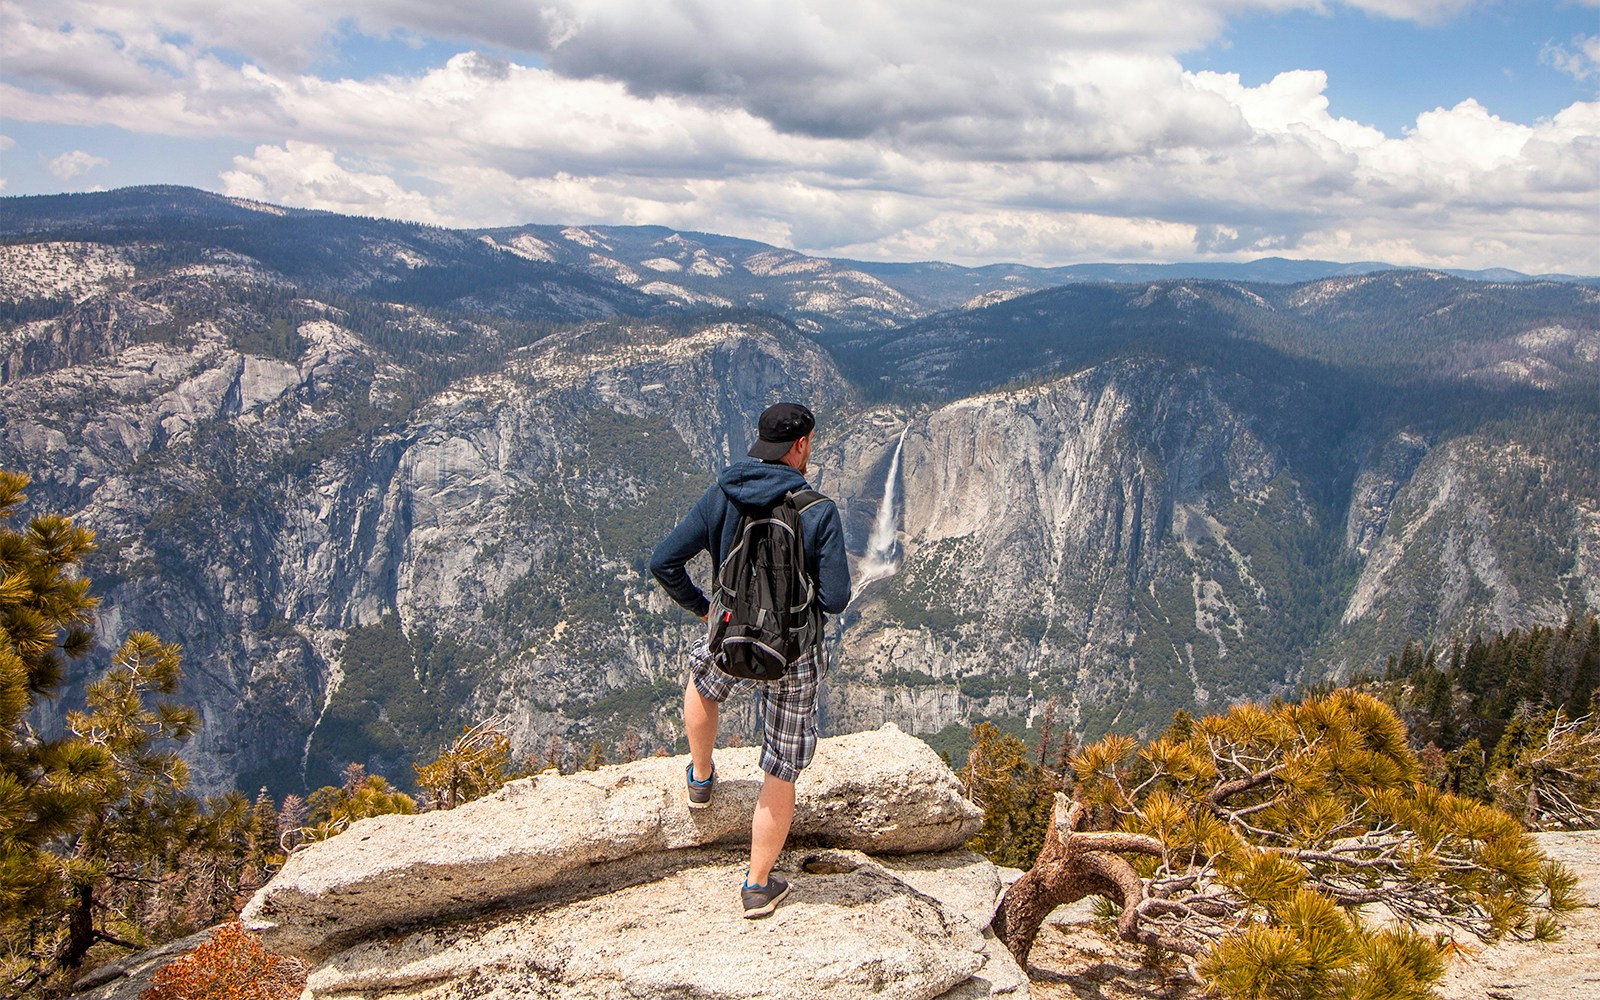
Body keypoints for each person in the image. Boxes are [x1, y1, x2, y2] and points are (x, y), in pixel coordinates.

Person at [649, 401, 852, 918]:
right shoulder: (817, 510)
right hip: (792, 652)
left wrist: (705, 610)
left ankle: (699, 779)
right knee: (780, 765)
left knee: (703, 678)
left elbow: (663, 561)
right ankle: (757, 886)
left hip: (727, 633)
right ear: (800, 445)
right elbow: (834, 598)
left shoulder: (722, 493)